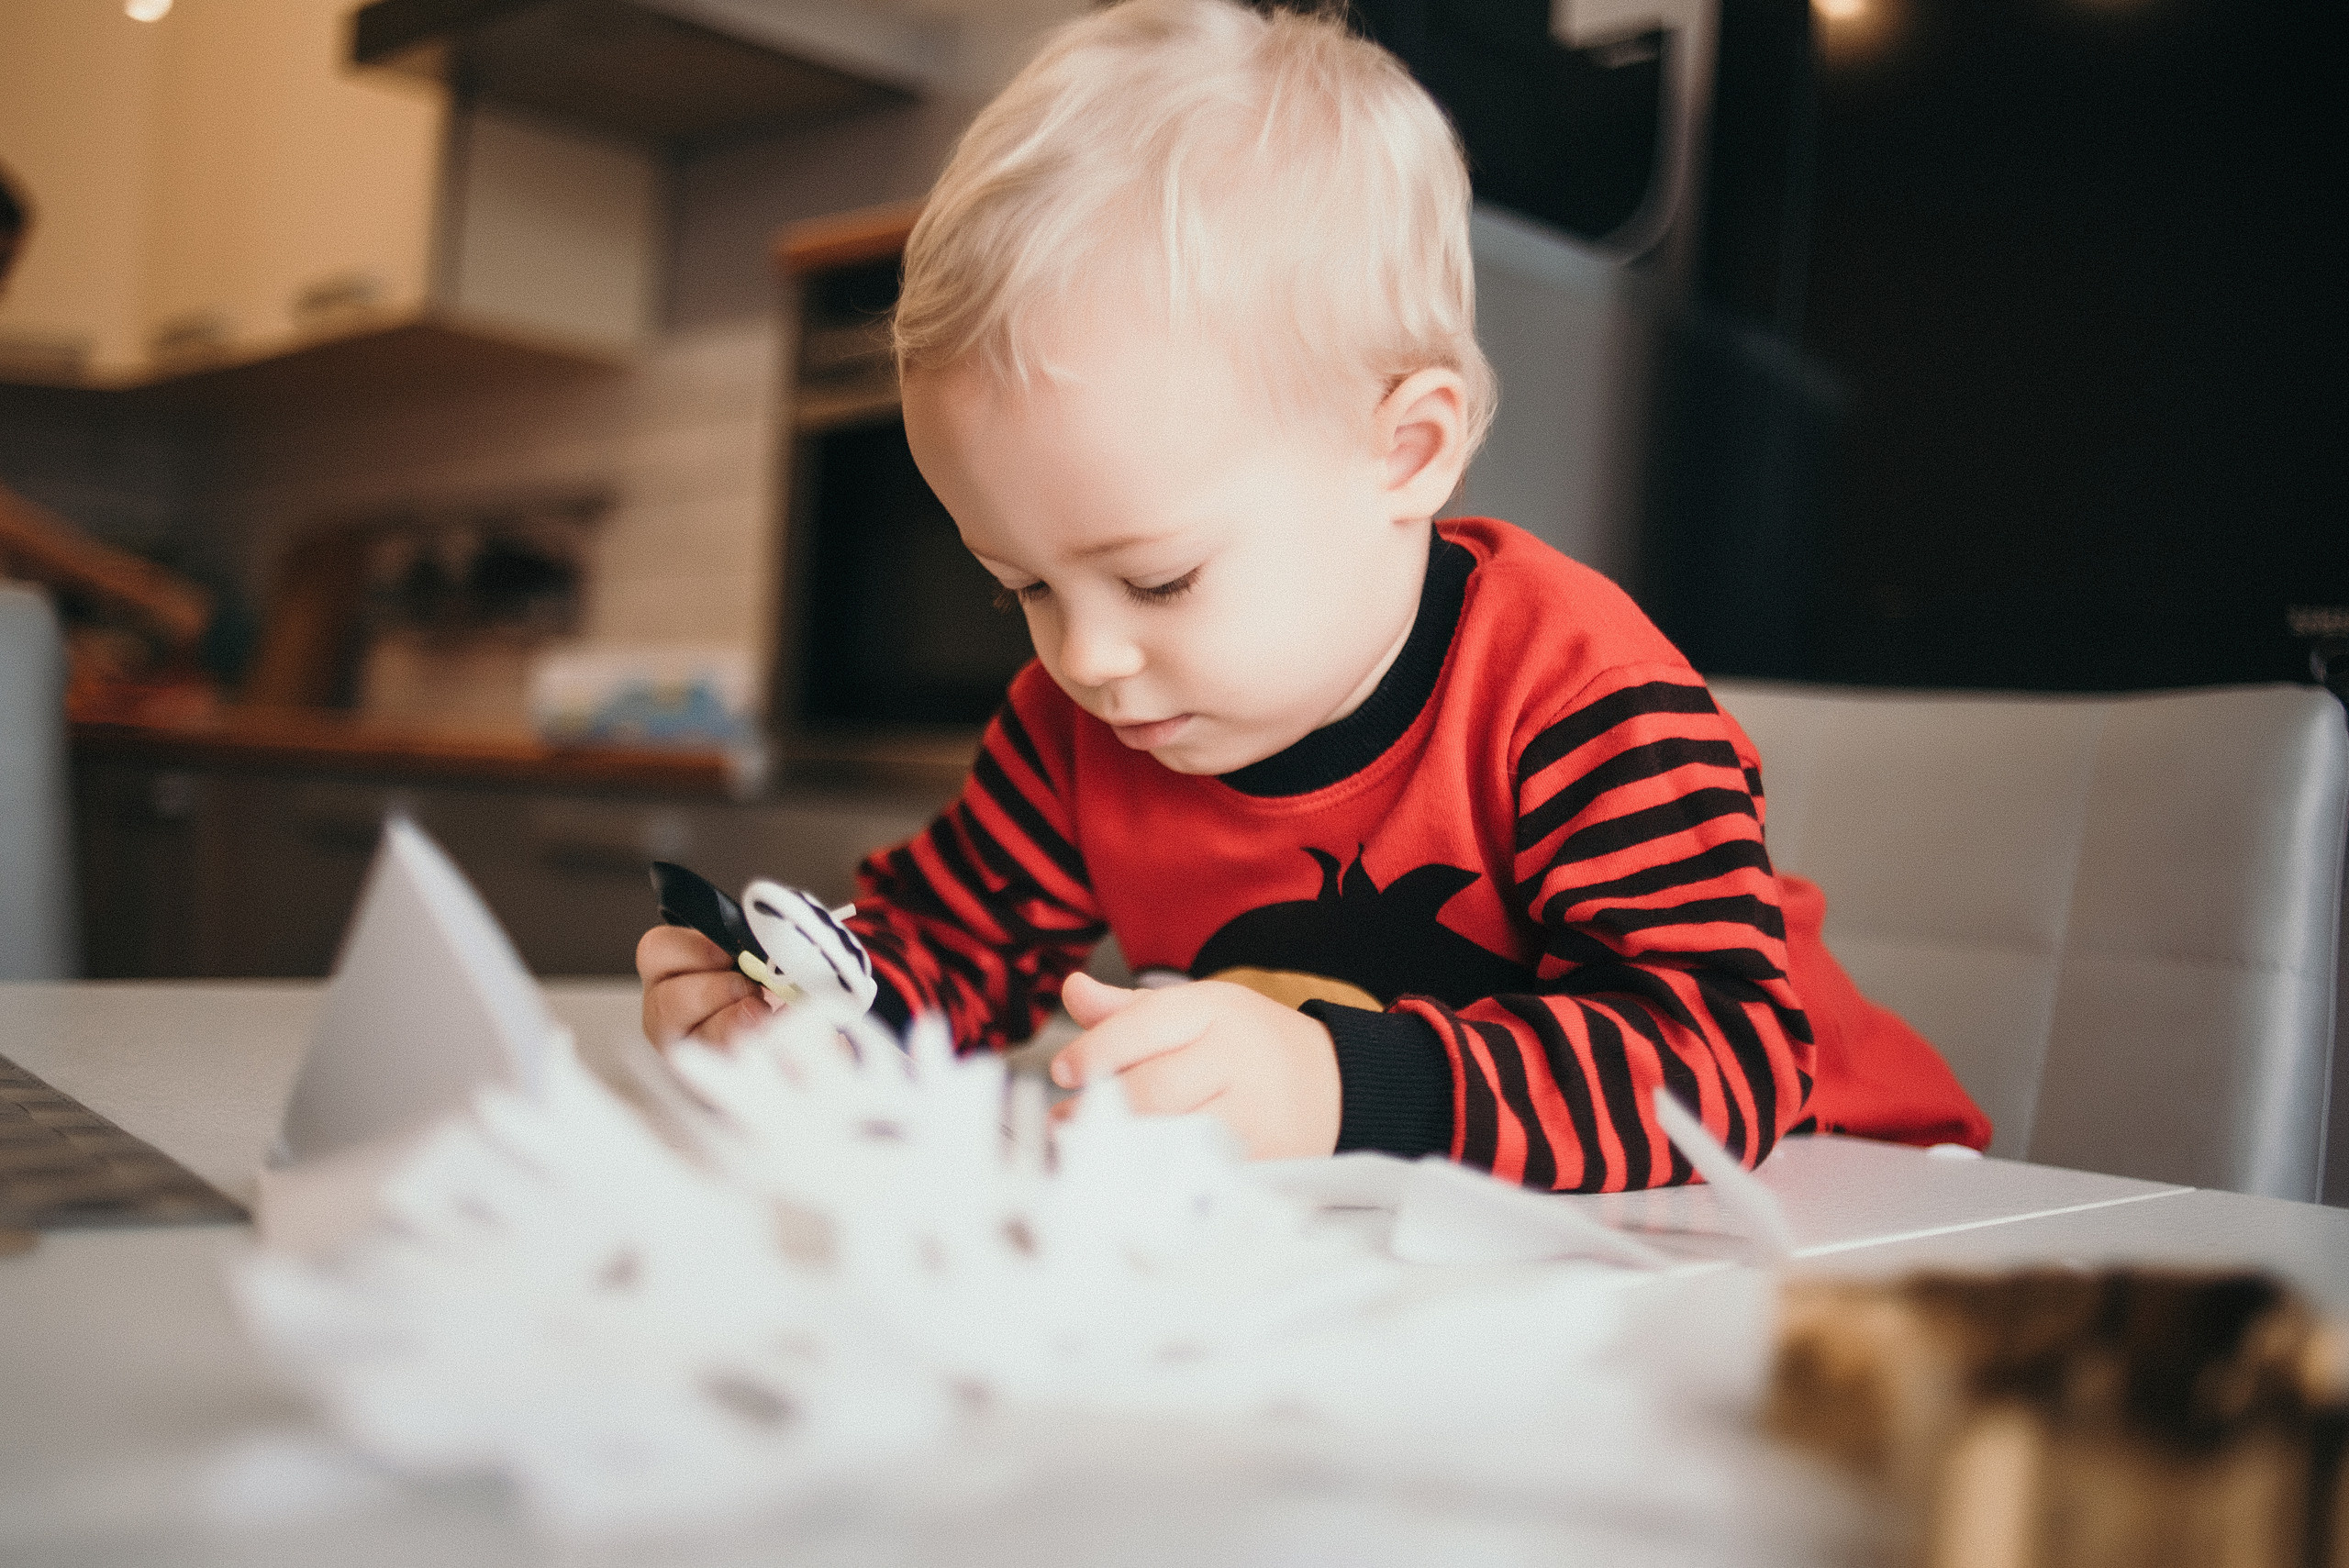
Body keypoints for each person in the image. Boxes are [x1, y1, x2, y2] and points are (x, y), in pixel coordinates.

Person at [640, 0, 1988, 1187]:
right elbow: (949, 945)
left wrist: (1340, 1086)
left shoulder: (1577, 691)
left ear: (1404, 452)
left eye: (1157, 577)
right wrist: (817, 1011)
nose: (1089, 657)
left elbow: (1725, 1057)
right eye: (1022, 589)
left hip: (1856, 1207)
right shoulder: (1082, 727)